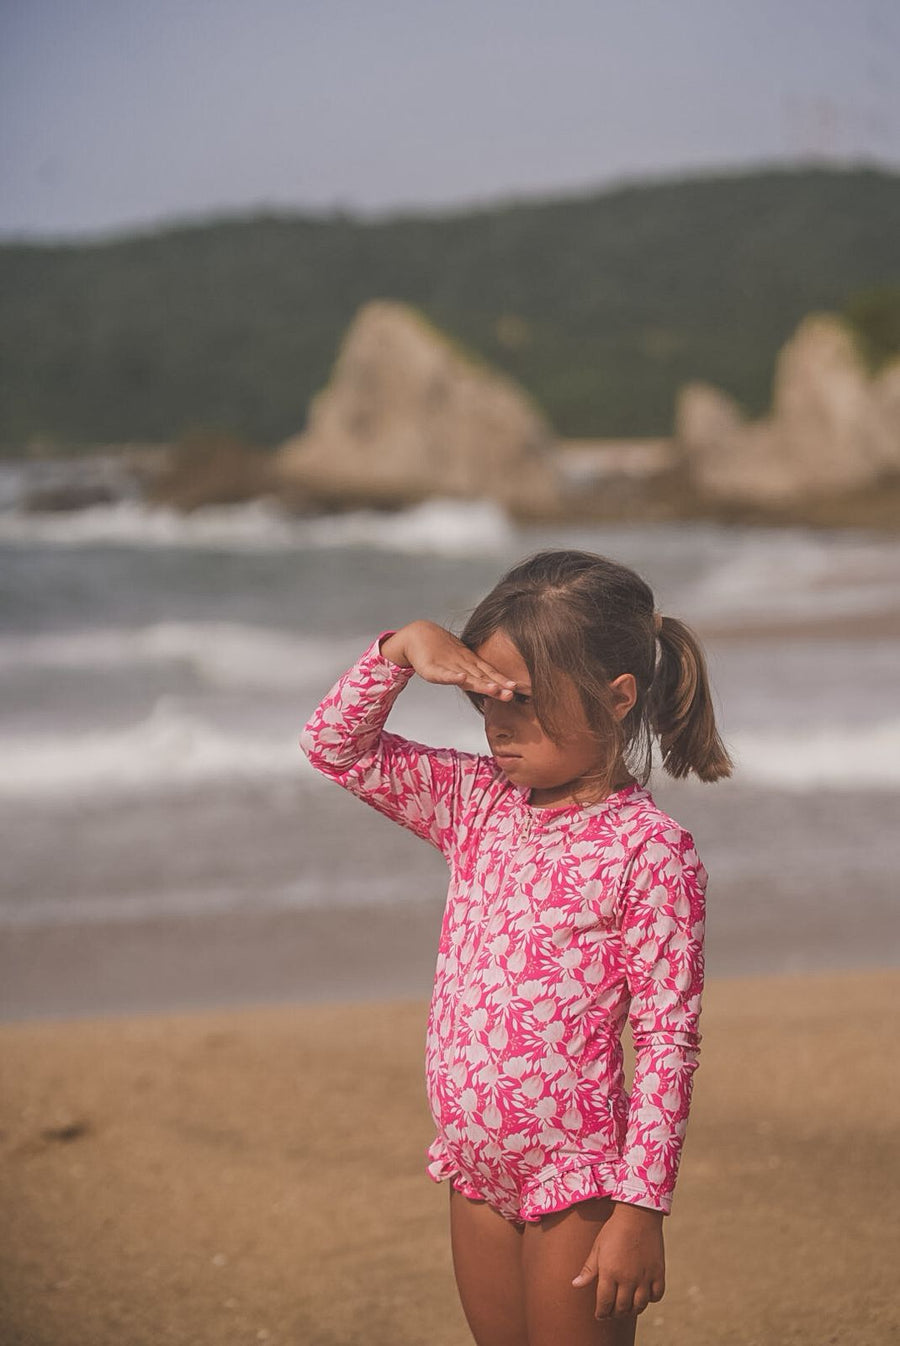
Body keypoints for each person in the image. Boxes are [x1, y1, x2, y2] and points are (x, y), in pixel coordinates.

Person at [300, 549, 731, 1346]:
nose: (496, 722)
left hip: (580, 1180)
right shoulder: (477, 803)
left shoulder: (649, 851)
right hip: (473, 1168)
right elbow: (336, 746)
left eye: (521, 699)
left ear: (617, 697)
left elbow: (669, 1041)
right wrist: (401, 651)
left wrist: (642, 1209)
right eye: (481, 697)